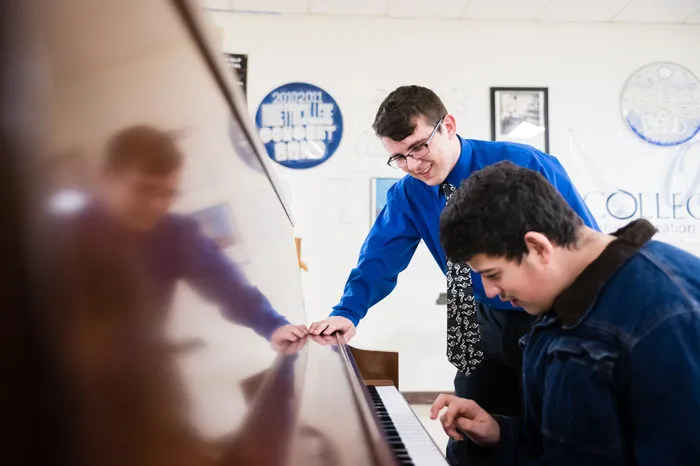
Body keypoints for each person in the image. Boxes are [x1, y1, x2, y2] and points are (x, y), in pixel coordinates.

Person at [308, 85, 598, 464]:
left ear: (447, 125)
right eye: (398, 157)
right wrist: (348, 311)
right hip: (474, 317)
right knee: (467, 434)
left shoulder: (527, 164)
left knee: (552, 431)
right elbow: (379, 257)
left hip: (551, 317)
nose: (412, 165)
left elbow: (585, 244)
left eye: (417, 147)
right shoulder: (408, 194)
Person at [431, 161, 700, 465]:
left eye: (493, 274)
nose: (490, 292)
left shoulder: (669, 317)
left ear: (538, 247)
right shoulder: (559, 303)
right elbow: (562, 447)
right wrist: (499, 433)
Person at [66, 124, 306, 349]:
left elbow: (230, 288)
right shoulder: (62, 241)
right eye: (144, 189)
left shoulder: (175, 235)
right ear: (107, 179)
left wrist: (274, 326)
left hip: (140, 371)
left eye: (168, 193)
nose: (157, 205)